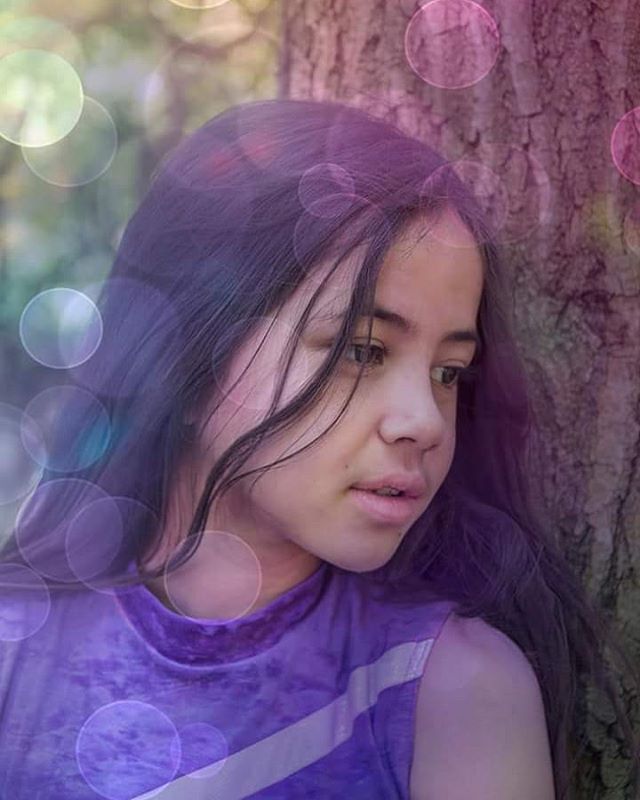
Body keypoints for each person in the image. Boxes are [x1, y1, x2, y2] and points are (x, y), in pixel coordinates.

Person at [0, 98, 638, 800]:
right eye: (362, 350)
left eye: (449, 372)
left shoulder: (451, 694)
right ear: (191, 350)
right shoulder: (15, 650)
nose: (423, 421)